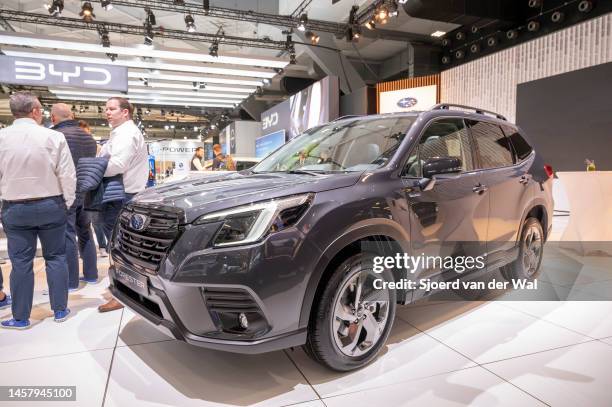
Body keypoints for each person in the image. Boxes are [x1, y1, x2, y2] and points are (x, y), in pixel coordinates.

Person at [0, 92, 76, 329]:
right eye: (40, 109)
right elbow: (67, 174)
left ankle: (21, 317)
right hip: (51, 205)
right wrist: (68, 202)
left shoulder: (1, 137)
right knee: (56, 257)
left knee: (20, 262)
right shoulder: (53, 137)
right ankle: (60, 310)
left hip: (14, 208)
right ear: (34, 110)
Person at [97, 97, 148, 313]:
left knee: (119, 246)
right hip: (122, 193)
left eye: (112, 109)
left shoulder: (126, 134)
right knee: (121, 245)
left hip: (122, 195)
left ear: (125, 112)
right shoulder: (120, 132)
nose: (107, 112)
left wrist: (96, 166)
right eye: (106, 109)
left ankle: (121, 293)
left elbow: (117, 164)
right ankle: (124, 290)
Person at [51, 105, 98, 289]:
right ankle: (92, 275)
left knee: (68, 235)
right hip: (86, 192)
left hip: (65, 192)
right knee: (86, 232)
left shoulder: (55, 137)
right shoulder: (88, 137)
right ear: (72, 115)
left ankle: (71, 282)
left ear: (54, 118)